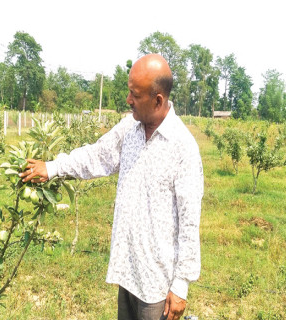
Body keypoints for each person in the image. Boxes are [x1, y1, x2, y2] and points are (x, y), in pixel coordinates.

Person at [20, 54, 203, 320]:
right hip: (128, 271)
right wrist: (52, 168)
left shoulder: (183, 148)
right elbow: (98, 156)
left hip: (157, 286)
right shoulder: (130, 129)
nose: (128, 100)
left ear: (158, 100)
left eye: (134, 94)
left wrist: (181, 285)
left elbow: (189, 222)